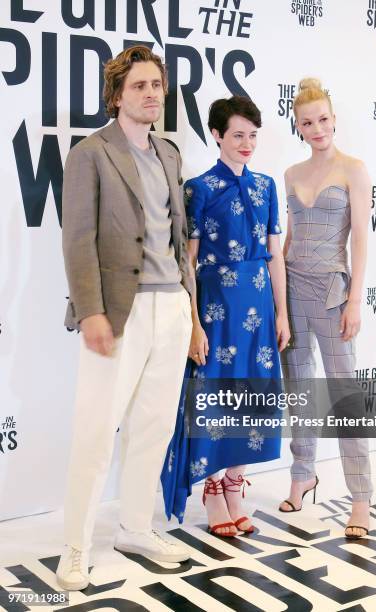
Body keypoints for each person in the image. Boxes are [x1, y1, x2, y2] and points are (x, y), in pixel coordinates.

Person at [57, 45, 193, 591]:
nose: (151, 94)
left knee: (154, 427)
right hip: (119, 311)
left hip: (173, 307)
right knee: (96, 433)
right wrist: (91, 310)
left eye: (157, 85)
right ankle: (74, 548)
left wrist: (188, 305)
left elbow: (177, 237)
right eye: (139, 86)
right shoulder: (90, 153)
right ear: (117, 95)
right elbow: (77, 240)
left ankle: (136, 527)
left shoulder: (170, 153)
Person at [161, 96, 290, 537]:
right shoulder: (199, 188)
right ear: (216, 135)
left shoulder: (266, 186)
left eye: (253, 135)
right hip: (216, 308)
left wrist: (283, 313)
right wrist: (194, 322)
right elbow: (189, 261)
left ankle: (235, 487)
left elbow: (274, 256)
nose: (247, 143)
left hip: (258, 305)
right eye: (237, 135)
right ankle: (213, 490)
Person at [279, 78, 373, 539]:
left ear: (334, 120)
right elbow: (290, 238)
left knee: (344, 395)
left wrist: (355, 299)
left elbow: (360, 239)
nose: (317, 128)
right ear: (298, 126)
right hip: (293, 289)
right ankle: (302, 476)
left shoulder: (354, 169)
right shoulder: (291, 174)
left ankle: (360, 497)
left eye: (323, 119)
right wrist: (277, 299)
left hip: (334, 291)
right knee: (300, 389)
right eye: (307, 122)